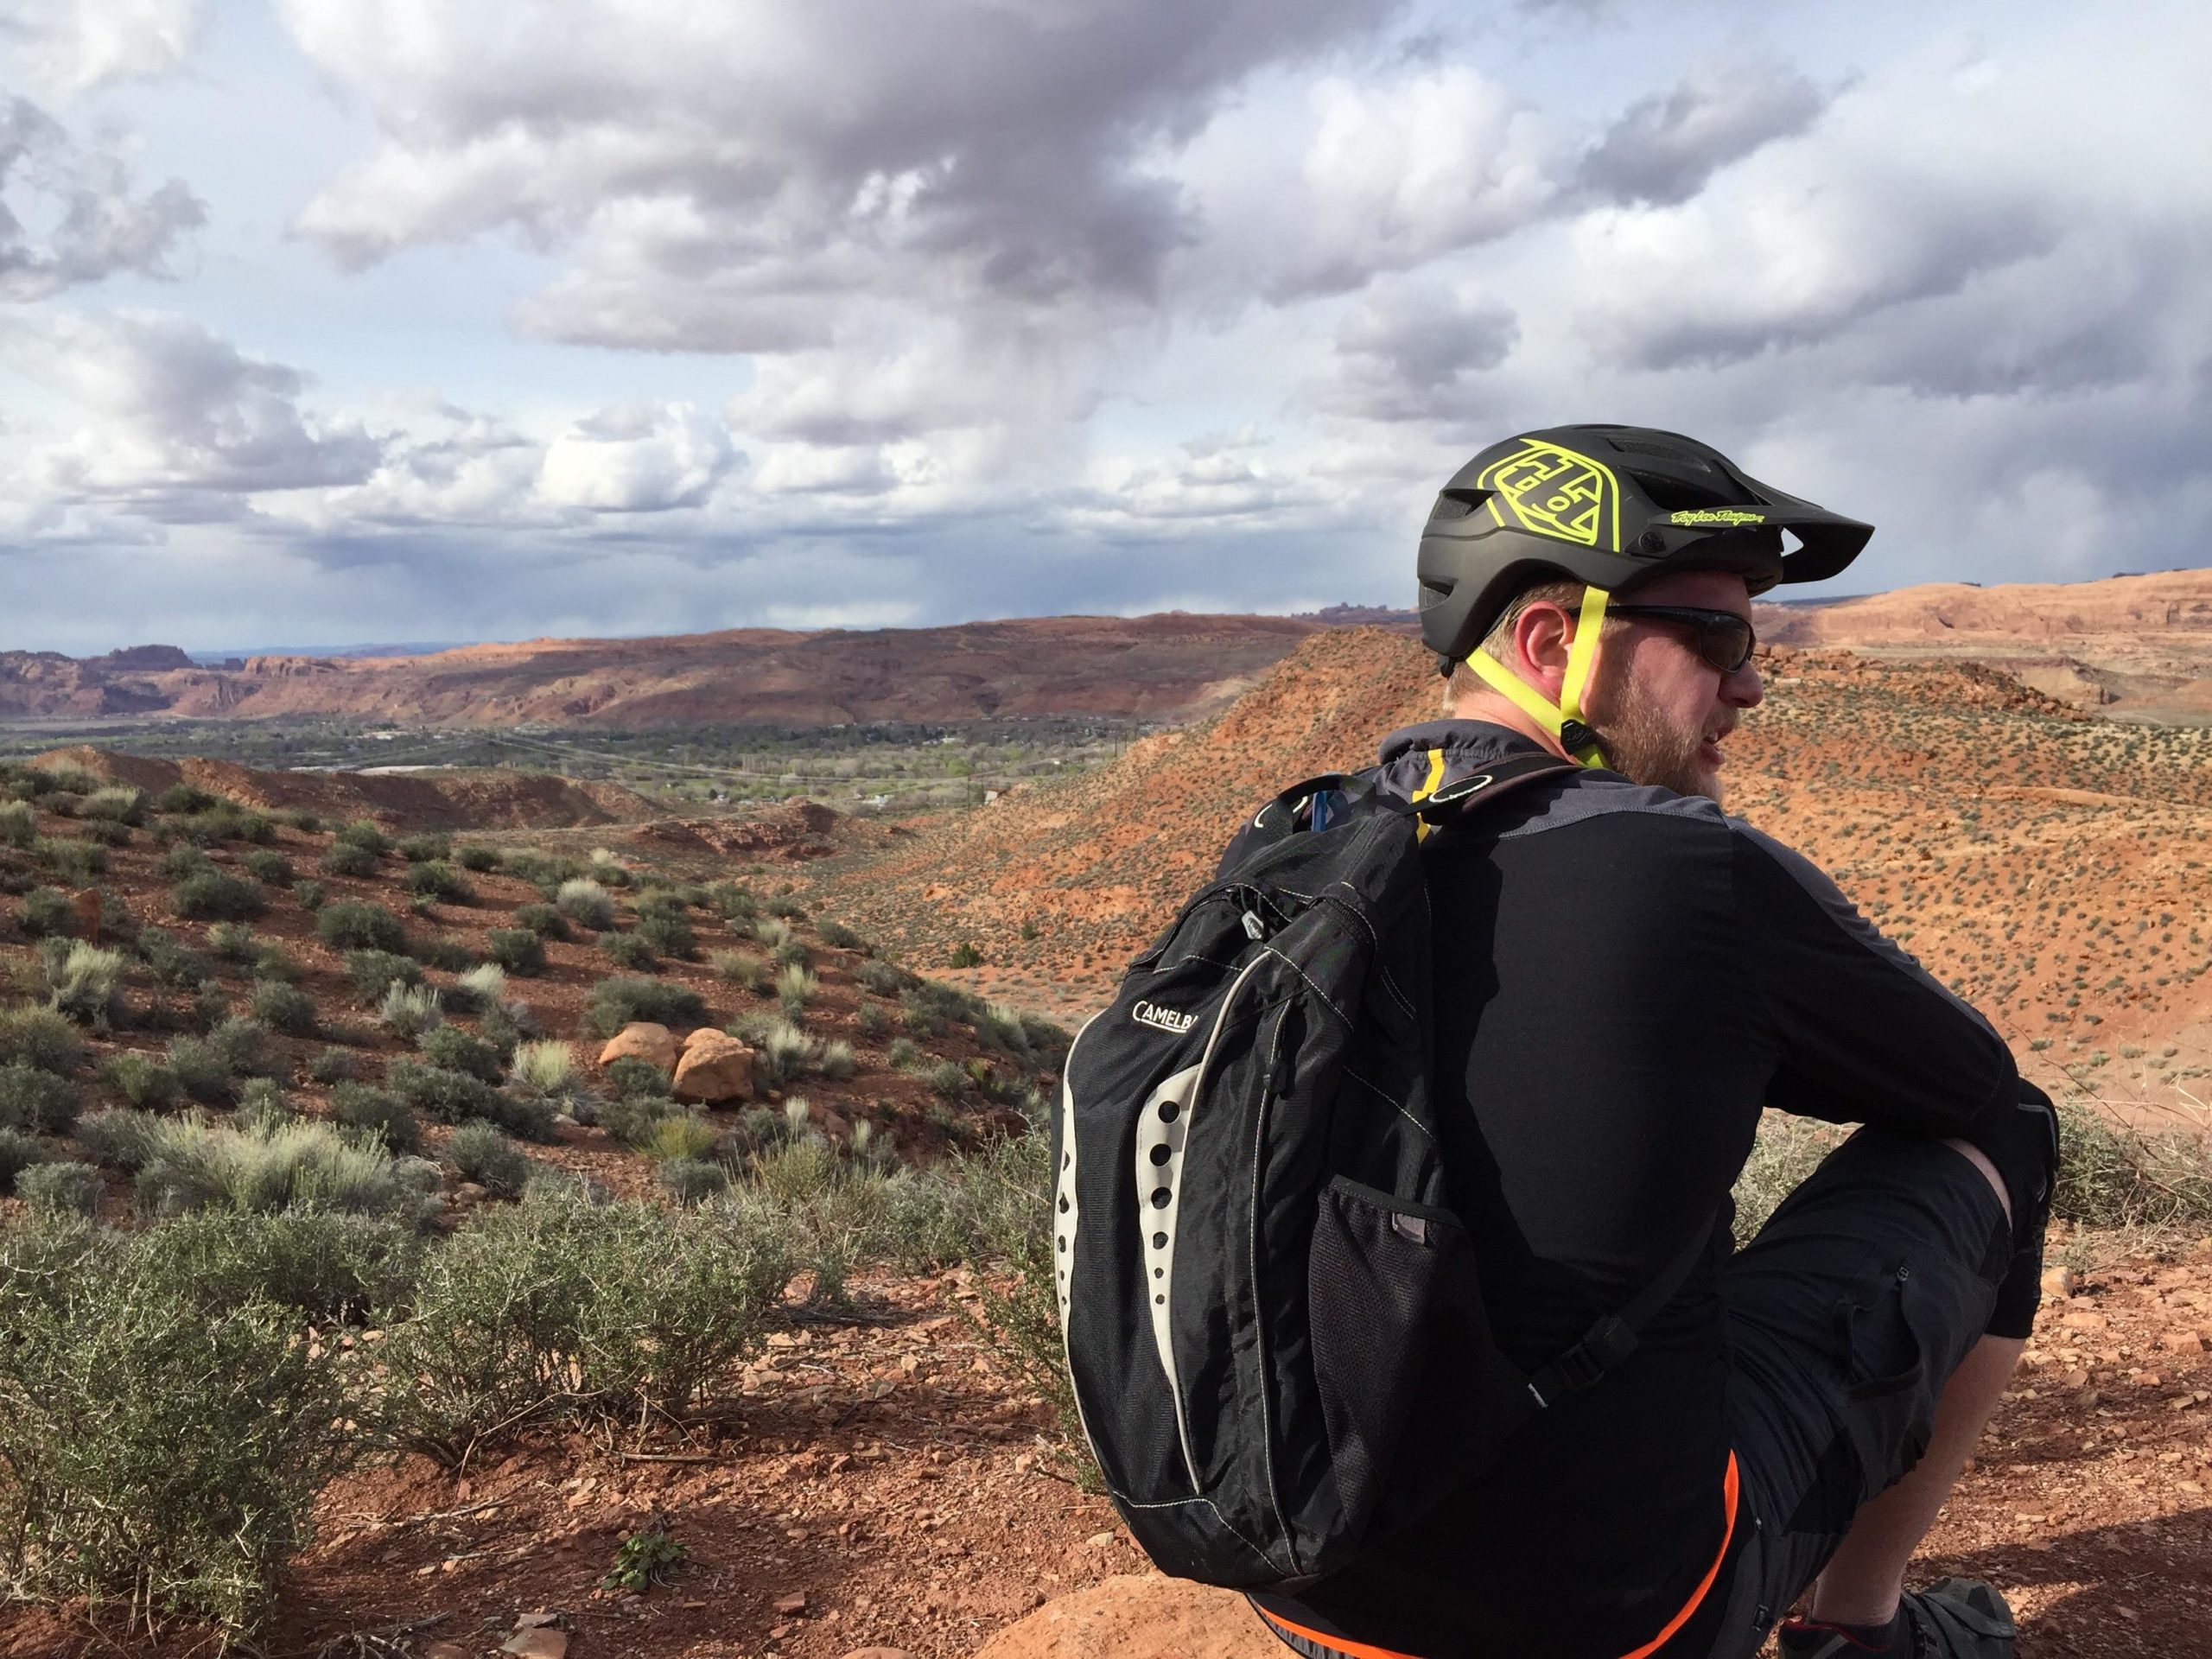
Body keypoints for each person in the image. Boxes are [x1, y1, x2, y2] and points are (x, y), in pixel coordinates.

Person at [1245, 426, 2057, 1659]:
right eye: (1718, 641)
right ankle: (1862, 1631)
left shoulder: (1294, 853)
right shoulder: (1689, 870)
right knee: (2015, 1131)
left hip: (1307, 1581)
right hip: (1630, 1615)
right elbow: (1968, 1080)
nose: (1750, 686)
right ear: (1547, 642)